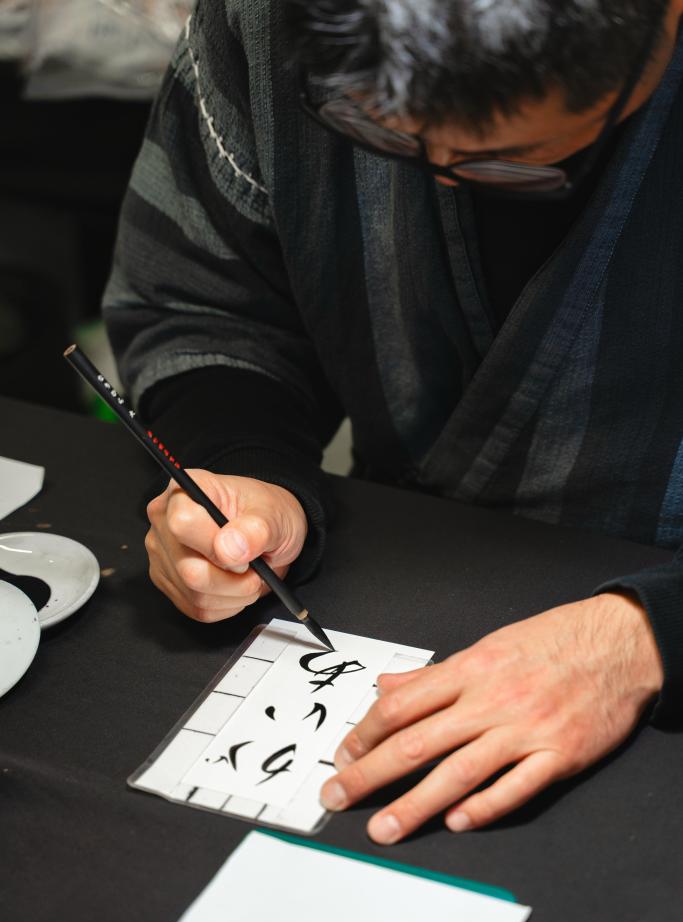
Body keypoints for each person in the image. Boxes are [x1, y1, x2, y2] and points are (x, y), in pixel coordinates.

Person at [106, 0, 683, 845]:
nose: (440, 179)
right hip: (394, 565)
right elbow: (207, 302)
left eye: (509, 163)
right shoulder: (267, 21)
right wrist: (246, 464)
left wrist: (643, 638)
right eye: (377, 134)